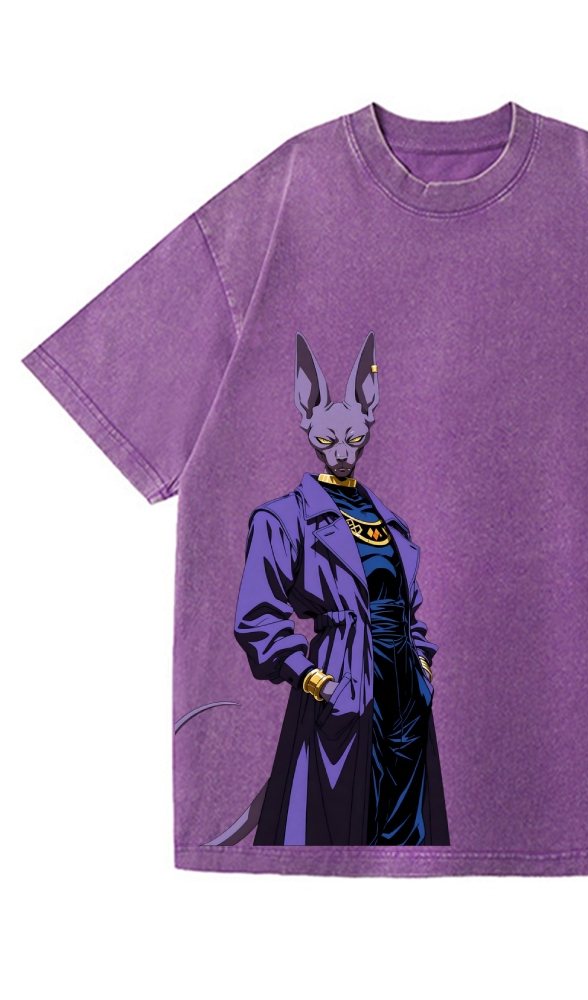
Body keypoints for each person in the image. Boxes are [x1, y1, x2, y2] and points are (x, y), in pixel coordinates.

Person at [226, 331, 449, 846]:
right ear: (307, 422)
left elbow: (408, 608)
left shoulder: (391, 524)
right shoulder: (284, 518)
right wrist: (314, 680)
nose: (343, 453)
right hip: (343, 681)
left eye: (353, 439)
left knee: (408, 832)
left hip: (405, 691)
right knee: (337, 824)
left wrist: (421, 665)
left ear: (369, 417)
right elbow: (257, 615)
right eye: (329, 442)